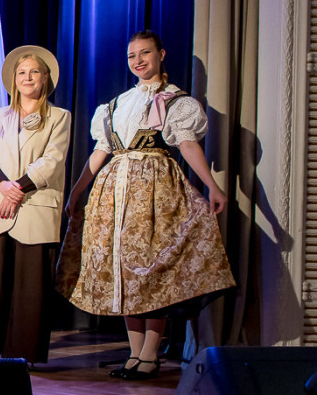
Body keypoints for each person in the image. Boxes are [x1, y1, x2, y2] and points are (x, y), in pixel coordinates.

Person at [56, 30, 236, 381]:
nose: (138, 61)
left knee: (151, 271)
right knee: (124, 271)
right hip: (115, 191)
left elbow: (187, 145)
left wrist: (212, 186)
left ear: (161, 54)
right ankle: (135, 353)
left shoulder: (175, 101)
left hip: (154, 190)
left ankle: (151, 354)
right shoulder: (117, 104)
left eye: (145, 53)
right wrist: (77, 191)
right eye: (132, 56)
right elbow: (101, 151)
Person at [0, 46, 70, 364]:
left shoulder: (59, 117)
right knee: (1, 284)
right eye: (22, 72)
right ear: (14, 80)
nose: (28, 77)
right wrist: (3, 185)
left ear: (45, 78)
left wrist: (17, 189)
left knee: (31, 287)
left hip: (35, 207)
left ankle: (26, 355)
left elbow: (52, 161)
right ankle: (3, 354)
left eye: (34, 72)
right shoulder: (0, 116)